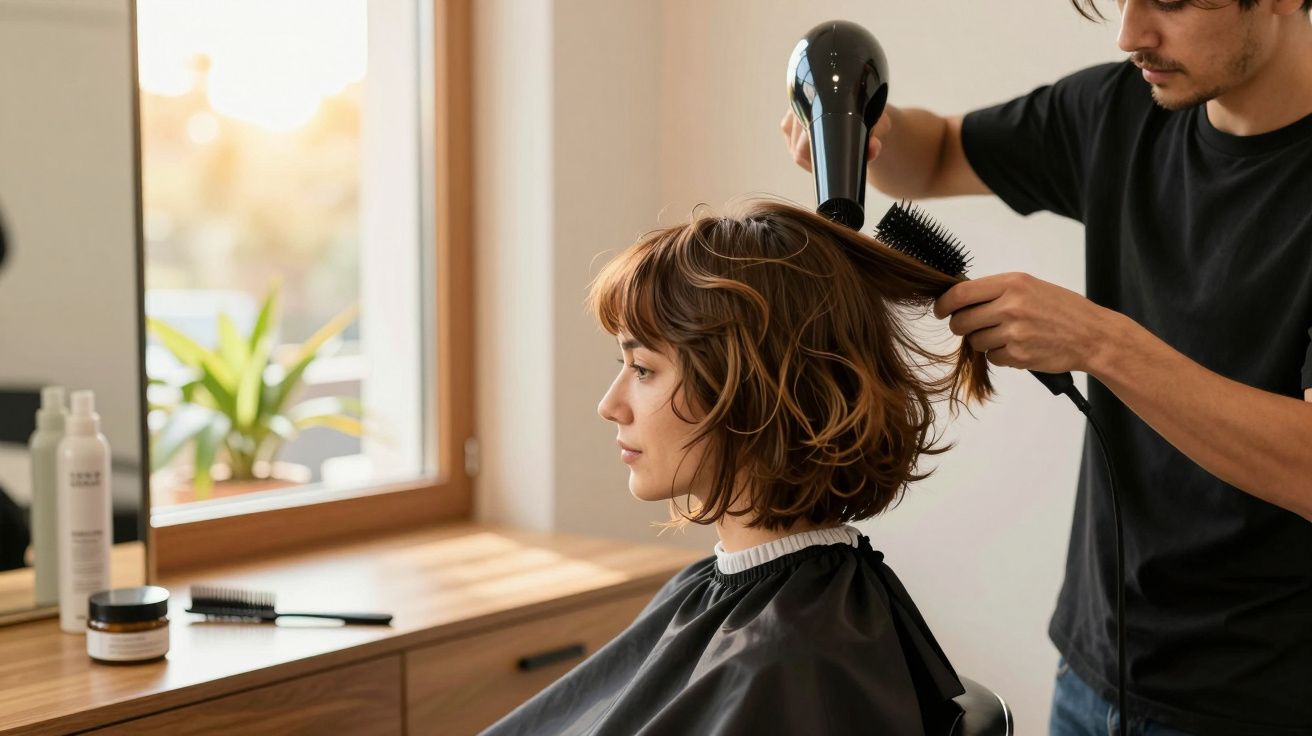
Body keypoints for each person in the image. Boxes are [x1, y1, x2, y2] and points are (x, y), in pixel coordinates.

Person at [782, 1, 1312, 733]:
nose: (1129, 35)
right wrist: (865, 126)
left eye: (1171, 0)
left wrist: (1102, 345)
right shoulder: (1121, 108)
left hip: (1260, 703)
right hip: (1093, 671)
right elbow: (935, 156)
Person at [482, 200, 993, 735]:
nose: (609, 405)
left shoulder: (786, 658)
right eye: (623, 364)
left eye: (643, 368)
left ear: (751, 390)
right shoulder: (734, 591)